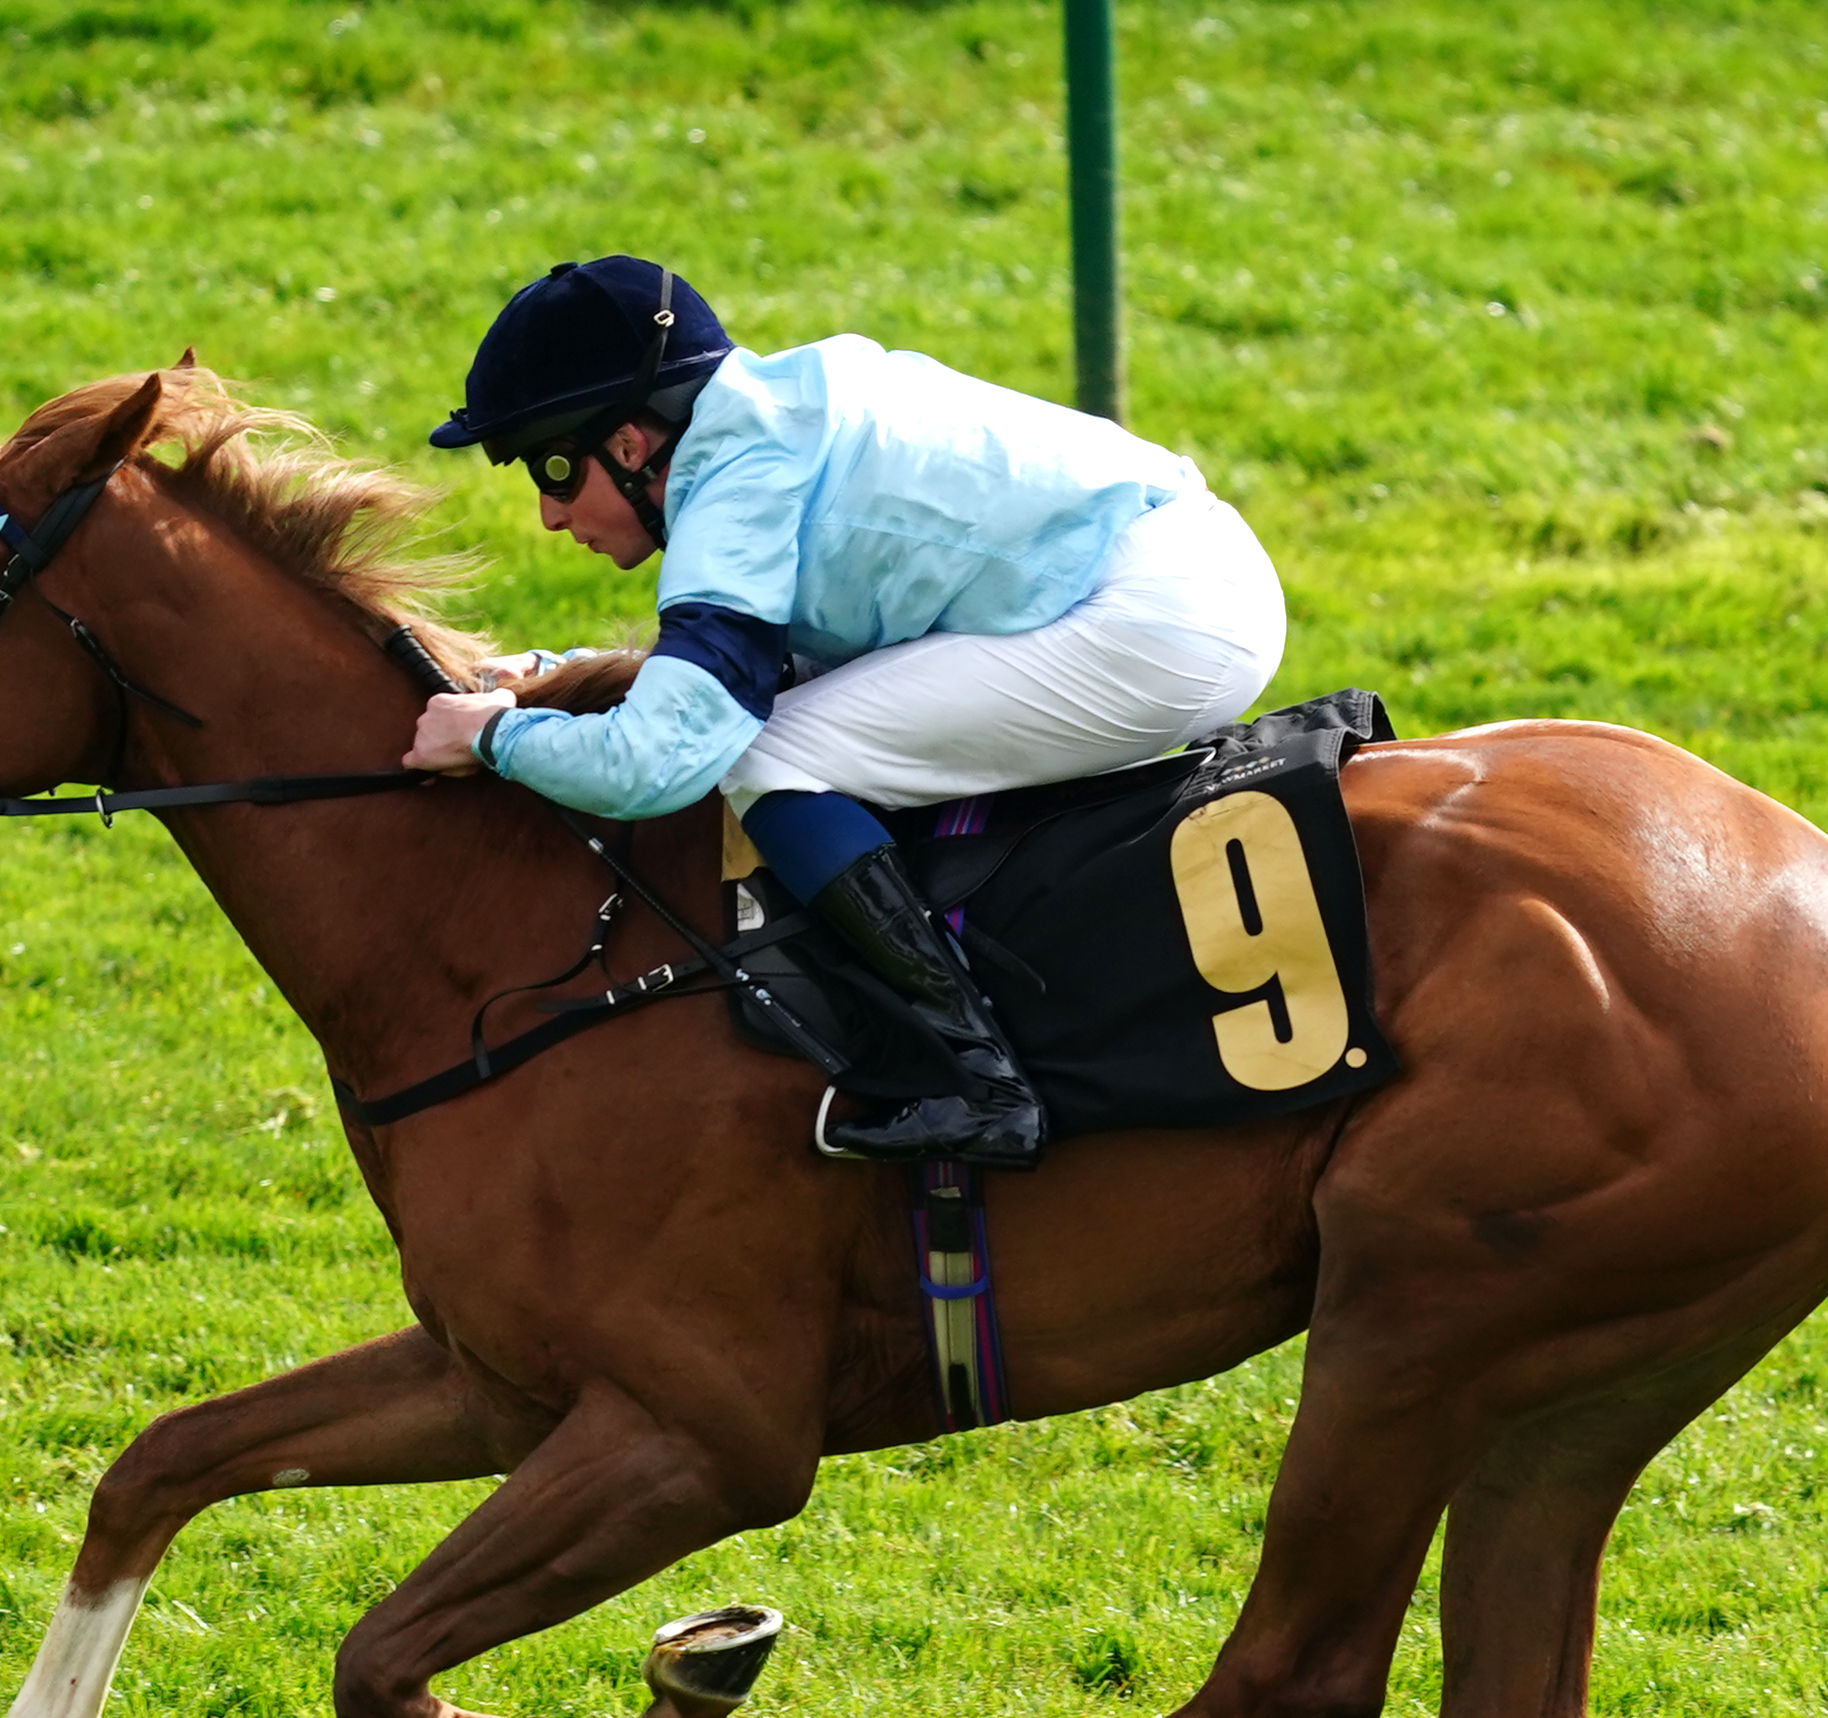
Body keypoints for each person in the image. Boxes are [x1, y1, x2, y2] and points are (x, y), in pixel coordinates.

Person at [404, 256, 1289, 1167]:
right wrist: (566, 672)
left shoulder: (741, 490)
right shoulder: (774, 406)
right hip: (1183, 572)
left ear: (630, 444)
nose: (551, 516)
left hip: (1154, 624)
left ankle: (981, 1081)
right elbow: (750, 659)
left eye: (551, 470)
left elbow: (660, 761)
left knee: (770, 759)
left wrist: (495, 734)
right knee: (793, 722)